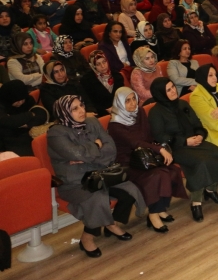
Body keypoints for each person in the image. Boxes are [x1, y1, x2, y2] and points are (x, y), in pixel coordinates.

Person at [47, 95, 146, 258]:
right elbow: (79, 153)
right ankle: (87, 238)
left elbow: (111, 149)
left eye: (82, 105)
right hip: (75, 182)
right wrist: (97, 145)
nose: (82, 110)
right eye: (75, 108)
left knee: (130, 191)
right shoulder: (56, 134)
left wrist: (86, 155)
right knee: (98, 199)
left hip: (102, 173)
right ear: (63, 112)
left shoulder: (92, 122)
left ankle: (110, 223)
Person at [107, 87, 187, 233]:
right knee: (158, 175)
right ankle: (153, 213)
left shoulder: (140, 113)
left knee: (172, 170)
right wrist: (160, 150)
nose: (132, 104)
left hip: (147, 157)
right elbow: (134, 143)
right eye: (127, 101)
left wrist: (160, 147)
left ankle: (161, 208)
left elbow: (149, 137)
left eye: (133, 99)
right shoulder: (115, 125)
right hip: (129, 163)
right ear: (119, 103)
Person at [148, 78, 218, 223]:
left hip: (194, 141)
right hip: (175, 147)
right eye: (168, 90)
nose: (173, 91)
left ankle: (210, 189)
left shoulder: (182, 104)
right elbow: (160, 136)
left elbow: (197, 123)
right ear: (160, 93)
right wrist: (185, 141)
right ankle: (196, 203)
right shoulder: (156, 112)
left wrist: (199, 135)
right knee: (201, 162)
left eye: (173, 87)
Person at [0, 80, 48, 156]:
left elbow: (42, 114)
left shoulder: (27, 99)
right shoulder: (2, 104)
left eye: (22, 99)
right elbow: (6, 121)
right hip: (10, 140)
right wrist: (30, 114)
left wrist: (27, 125)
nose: (21, 103)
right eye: (17, 101)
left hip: (30, 133)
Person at [80, 51, 125, 115]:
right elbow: (89, 102)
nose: (103, 66)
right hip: (101, 114)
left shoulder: (117, 75)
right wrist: (105, 110)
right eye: (98, 64)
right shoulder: (86, 80)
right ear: (93, 66)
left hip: (121, 109)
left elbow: (123, 95)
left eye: (104, 62)